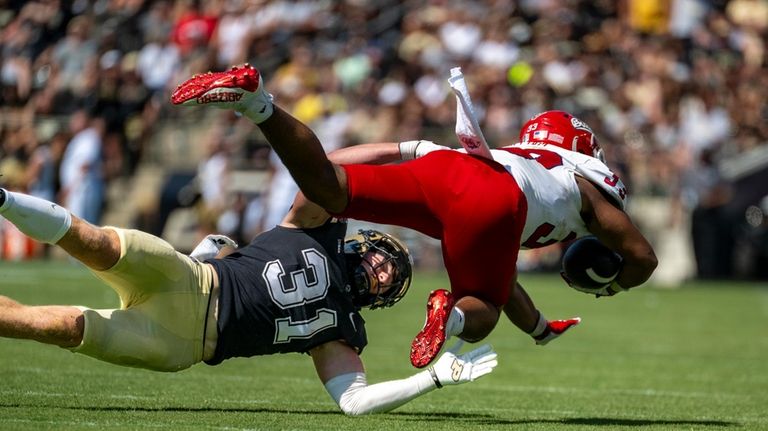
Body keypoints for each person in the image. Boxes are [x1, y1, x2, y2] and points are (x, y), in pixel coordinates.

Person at [171, 64, 658, 368]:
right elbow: (642, 258)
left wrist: (538, 329)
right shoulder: (582, 184)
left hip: (452, 170)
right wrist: (611, 285)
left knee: (331, 192)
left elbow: (504, 277)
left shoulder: (518, 159)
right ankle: (448, 319)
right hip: (496, 202)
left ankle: (258, 103)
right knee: (480, 312)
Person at [0, 183, 498, 415]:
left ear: (384, 297)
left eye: (393, 278)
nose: (384, 271)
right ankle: (2, 198)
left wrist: (431, 378)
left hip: (181, 343)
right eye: (388, 259)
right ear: (365, 242)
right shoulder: (316, 227)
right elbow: (324, 175)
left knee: (57, 327)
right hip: (191, 279)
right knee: (94, 241)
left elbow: (354, 402)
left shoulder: (344, 330)